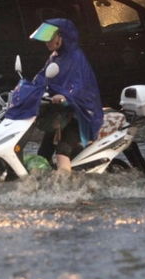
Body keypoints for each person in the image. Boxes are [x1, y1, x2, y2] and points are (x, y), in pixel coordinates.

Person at [30, 18, 103, 173]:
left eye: (50, 38)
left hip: (80, 115)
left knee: (62, 152)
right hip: (60, 114)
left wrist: (65, 96)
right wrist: (27, 90)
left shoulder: (76, 58)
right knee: (43, 152)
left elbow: (78, 85)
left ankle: (67, 191)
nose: (46, 42)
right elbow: (43, 77)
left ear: (62, 36)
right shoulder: (55, 57)